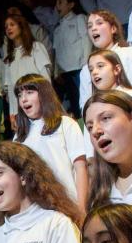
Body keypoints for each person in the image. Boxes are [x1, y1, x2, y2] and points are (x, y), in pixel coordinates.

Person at [16, 73, 93, 208]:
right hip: (36, 208)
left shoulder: (66, 124)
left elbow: (80, 167)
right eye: (20, 95)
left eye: (29, 92)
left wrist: (81, 208)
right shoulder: (19, 136)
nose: (23, 99)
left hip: (67, 203)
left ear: (44, 94)